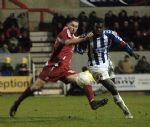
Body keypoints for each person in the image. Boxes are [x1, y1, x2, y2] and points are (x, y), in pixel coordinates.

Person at [9, 18, 108, 117]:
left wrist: (90, 36)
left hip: (64, 69)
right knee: (36, 87)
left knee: (85, 78)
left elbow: (77, 40)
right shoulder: (64, 32)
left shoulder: (73, 36)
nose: (73, 28)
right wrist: (84, 39)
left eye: (76, 26)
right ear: (67, 25)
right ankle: (17, 103)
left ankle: (93, 102)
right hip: (53, 66)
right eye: (72, 25)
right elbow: (67, 42)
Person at [85, 21, 139, 119]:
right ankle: (126, 113)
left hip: (107, 63)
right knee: (113, 88)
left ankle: (101, 90)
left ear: (103, 27)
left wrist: (132, 52)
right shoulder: (87, 36)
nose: (98, 30)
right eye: (96, 27)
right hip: (96, 67)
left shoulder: (109, 34)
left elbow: (122, 43)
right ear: (93, 27)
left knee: (112, 86)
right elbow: (77, 47)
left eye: (100, 27)